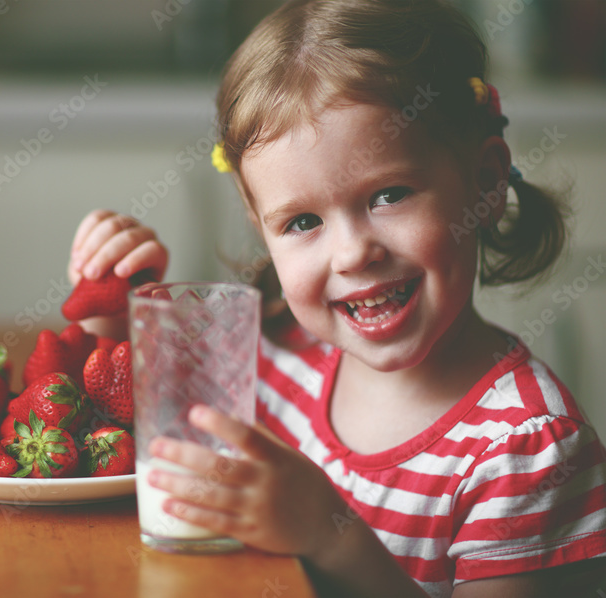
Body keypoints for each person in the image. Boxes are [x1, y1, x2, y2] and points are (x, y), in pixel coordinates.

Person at [67, 1, 606, 596]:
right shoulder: (272, 355)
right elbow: (129, 438)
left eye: (389, 194)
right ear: (261, 231)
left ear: (484, 182)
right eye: (301, 223)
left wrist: (331, 536)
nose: (352, 254)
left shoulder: (526, 453)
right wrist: (115, 322)